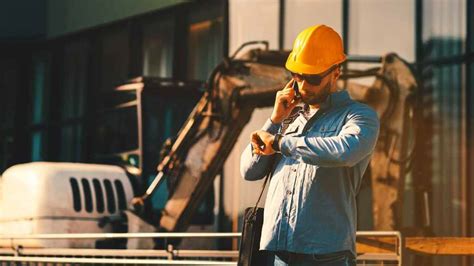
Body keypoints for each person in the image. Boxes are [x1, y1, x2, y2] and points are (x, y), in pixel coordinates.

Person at [240, 24, 380, 266]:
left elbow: (344, 151)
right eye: (297, 76)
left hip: (326, 256)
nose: (303, 85)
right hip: (278, 254)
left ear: (336, 72)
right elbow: (249, 171)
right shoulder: (287, 119)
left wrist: (281, 142)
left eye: (313, 78)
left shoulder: (359, 117)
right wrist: (274, 120)